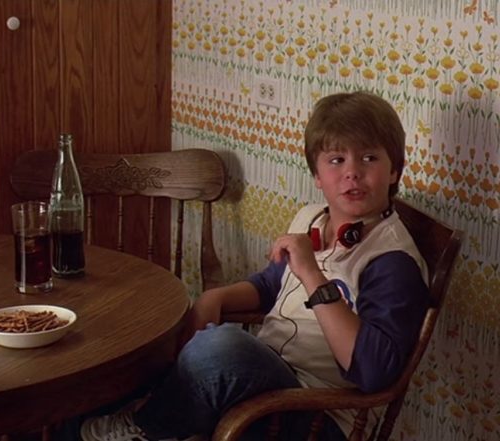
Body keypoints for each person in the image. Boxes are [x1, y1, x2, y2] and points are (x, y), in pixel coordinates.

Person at [79, 91, 430, 441]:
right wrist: (214, 298)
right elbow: (268, 287)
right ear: (317, 176)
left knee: (220, 348)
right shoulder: (311, 219)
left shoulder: (392, 261)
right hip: (265, 382)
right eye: (336, 160)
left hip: (316, 414)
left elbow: (373, 372)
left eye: (369, 158)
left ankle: (145, 430)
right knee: (128, 355)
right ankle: (124, 422)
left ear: (394, 170)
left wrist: (311, 273)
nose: (352, 172)